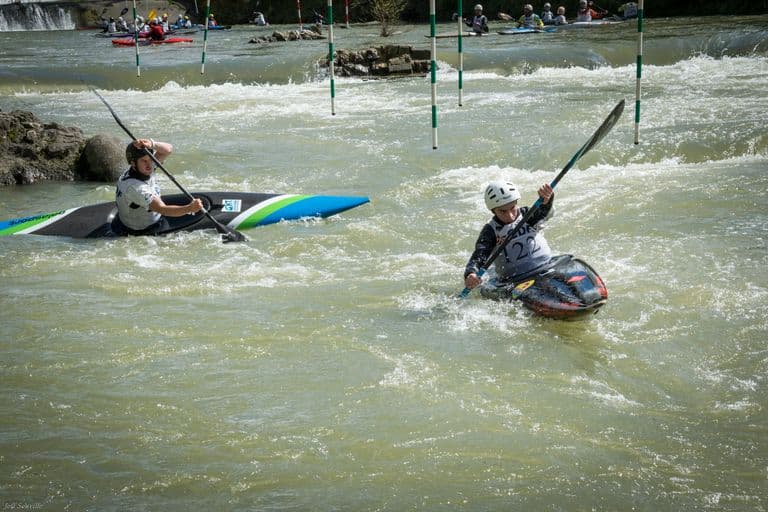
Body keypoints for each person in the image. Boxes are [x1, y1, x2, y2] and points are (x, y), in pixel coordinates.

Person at [463, 181, 555, 290]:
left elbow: (543, 211)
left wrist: (547, 199)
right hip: (516, 280)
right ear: (493, 211)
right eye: (503, 211)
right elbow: (479, 257)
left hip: (546, 266)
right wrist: (471, 274)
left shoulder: (527, 214)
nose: (510, 216)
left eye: (512, 208)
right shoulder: (490, 231)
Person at [115, 139, 203, 236]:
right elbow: (163, 209)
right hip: (143, 230)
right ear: (133, 163)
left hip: (142, 215)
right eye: (144, 161)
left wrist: (152, 144)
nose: (149, 165)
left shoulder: (141, 169)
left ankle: (223, 206)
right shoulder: (136, 188)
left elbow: (168, 149)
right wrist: (189, 208)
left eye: (150, 159)